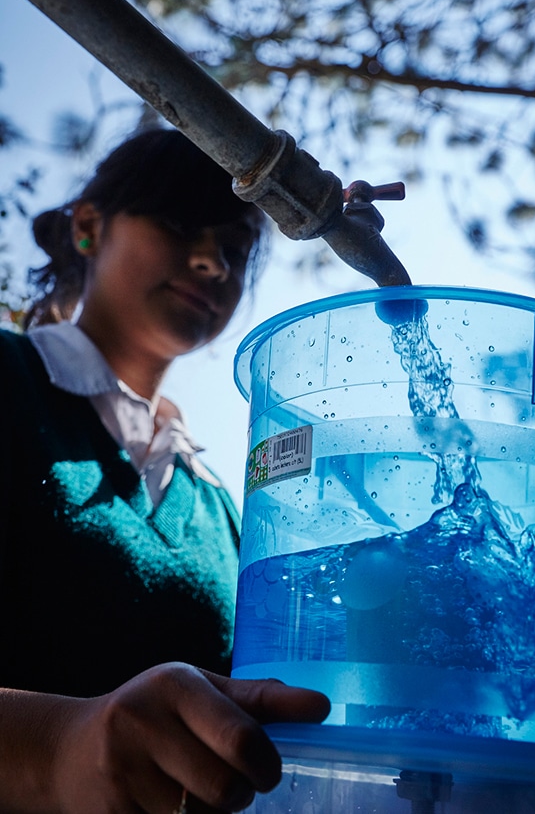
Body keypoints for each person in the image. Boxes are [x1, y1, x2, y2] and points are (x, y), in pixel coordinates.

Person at [0, 127, 330, 813]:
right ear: (89, 227)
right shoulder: (7, 379)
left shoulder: (222, 511)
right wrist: (53, 749)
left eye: (236, 248)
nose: (212, 261)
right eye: (180, 223)